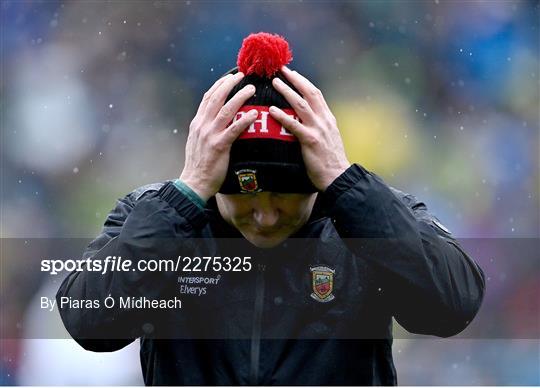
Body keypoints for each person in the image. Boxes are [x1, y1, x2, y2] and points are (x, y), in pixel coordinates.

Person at [57, 32, 485, 385]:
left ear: (318, 175)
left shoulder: (367, 215)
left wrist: (344, 180)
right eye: (244, 194)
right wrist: (183, 197)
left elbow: (452, 307)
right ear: (209, 173)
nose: (265, 215)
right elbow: (91, 324)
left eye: (284, 194)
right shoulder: (154, 213)